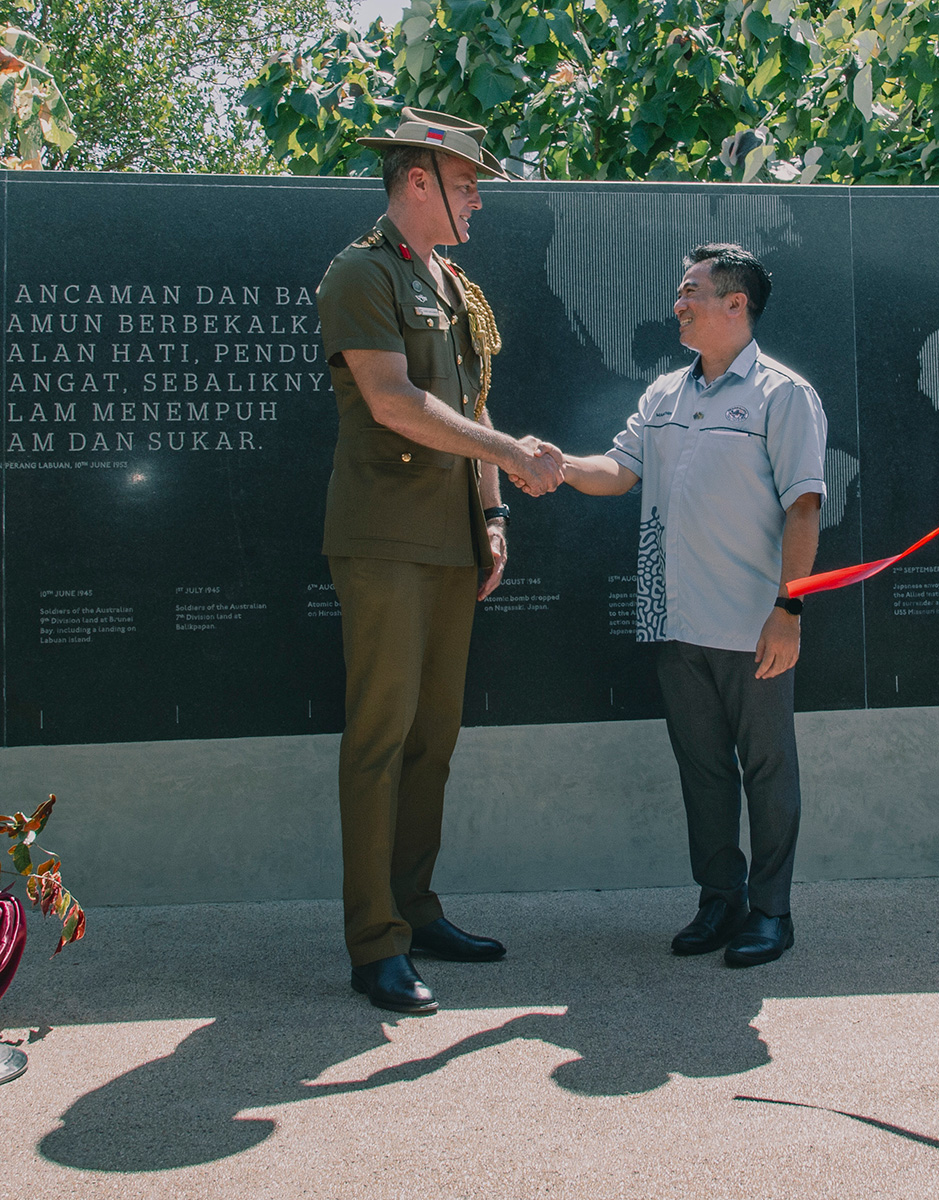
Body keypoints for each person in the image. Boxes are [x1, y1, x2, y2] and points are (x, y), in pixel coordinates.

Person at [316, 108, 563, 1014]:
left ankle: (416, 911)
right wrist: (510, 461)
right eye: (467, 185)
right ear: (417, 179)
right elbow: (393, 400)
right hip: (386, 539)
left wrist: (494, 515)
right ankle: (373, 941)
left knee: (434, 739)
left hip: (456, 539)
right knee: (380, 741)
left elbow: (475, 406)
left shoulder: (450, 284)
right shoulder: (361, 272)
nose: (477, 202)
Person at [542, 243, 826, 967]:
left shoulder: (782, 394)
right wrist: (559, 465)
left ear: (737, 305)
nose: (680, 303)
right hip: (671, 619)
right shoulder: (663, 394)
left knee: (767, 768)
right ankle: (719, 901)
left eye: (692, 291)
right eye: (682, 290)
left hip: (753, 622)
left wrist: (788, 610)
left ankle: (771, 910)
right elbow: (620, 470)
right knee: (702, 770)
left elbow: (804, 507)